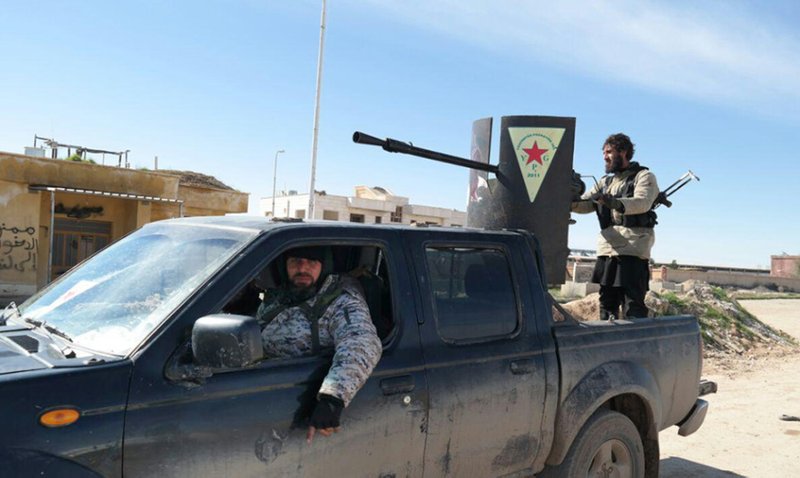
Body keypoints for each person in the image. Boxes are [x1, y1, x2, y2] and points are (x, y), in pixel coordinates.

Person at [256, 246, 382, 444]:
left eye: (312, 262)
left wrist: (333, 397)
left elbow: (361, 342)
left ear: (324, 266)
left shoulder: (342, 301)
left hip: (299, 396)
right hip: (260, 388)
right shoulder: (278, 296)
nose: (302, 268)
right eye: (295, 260)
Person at [571, 133, 659, 320]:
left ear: (623, 152)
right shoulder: (605, 182)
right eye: (604, 152)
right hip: (608, 250)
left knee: (633, 308)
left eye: (609, 152)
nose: (605, 156)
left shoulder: (644, 177)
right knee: (607, 306)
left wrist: (615, 203)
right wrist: (569, 200)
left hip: (632, 250)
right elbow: (587, 203)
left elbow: (642, 202)